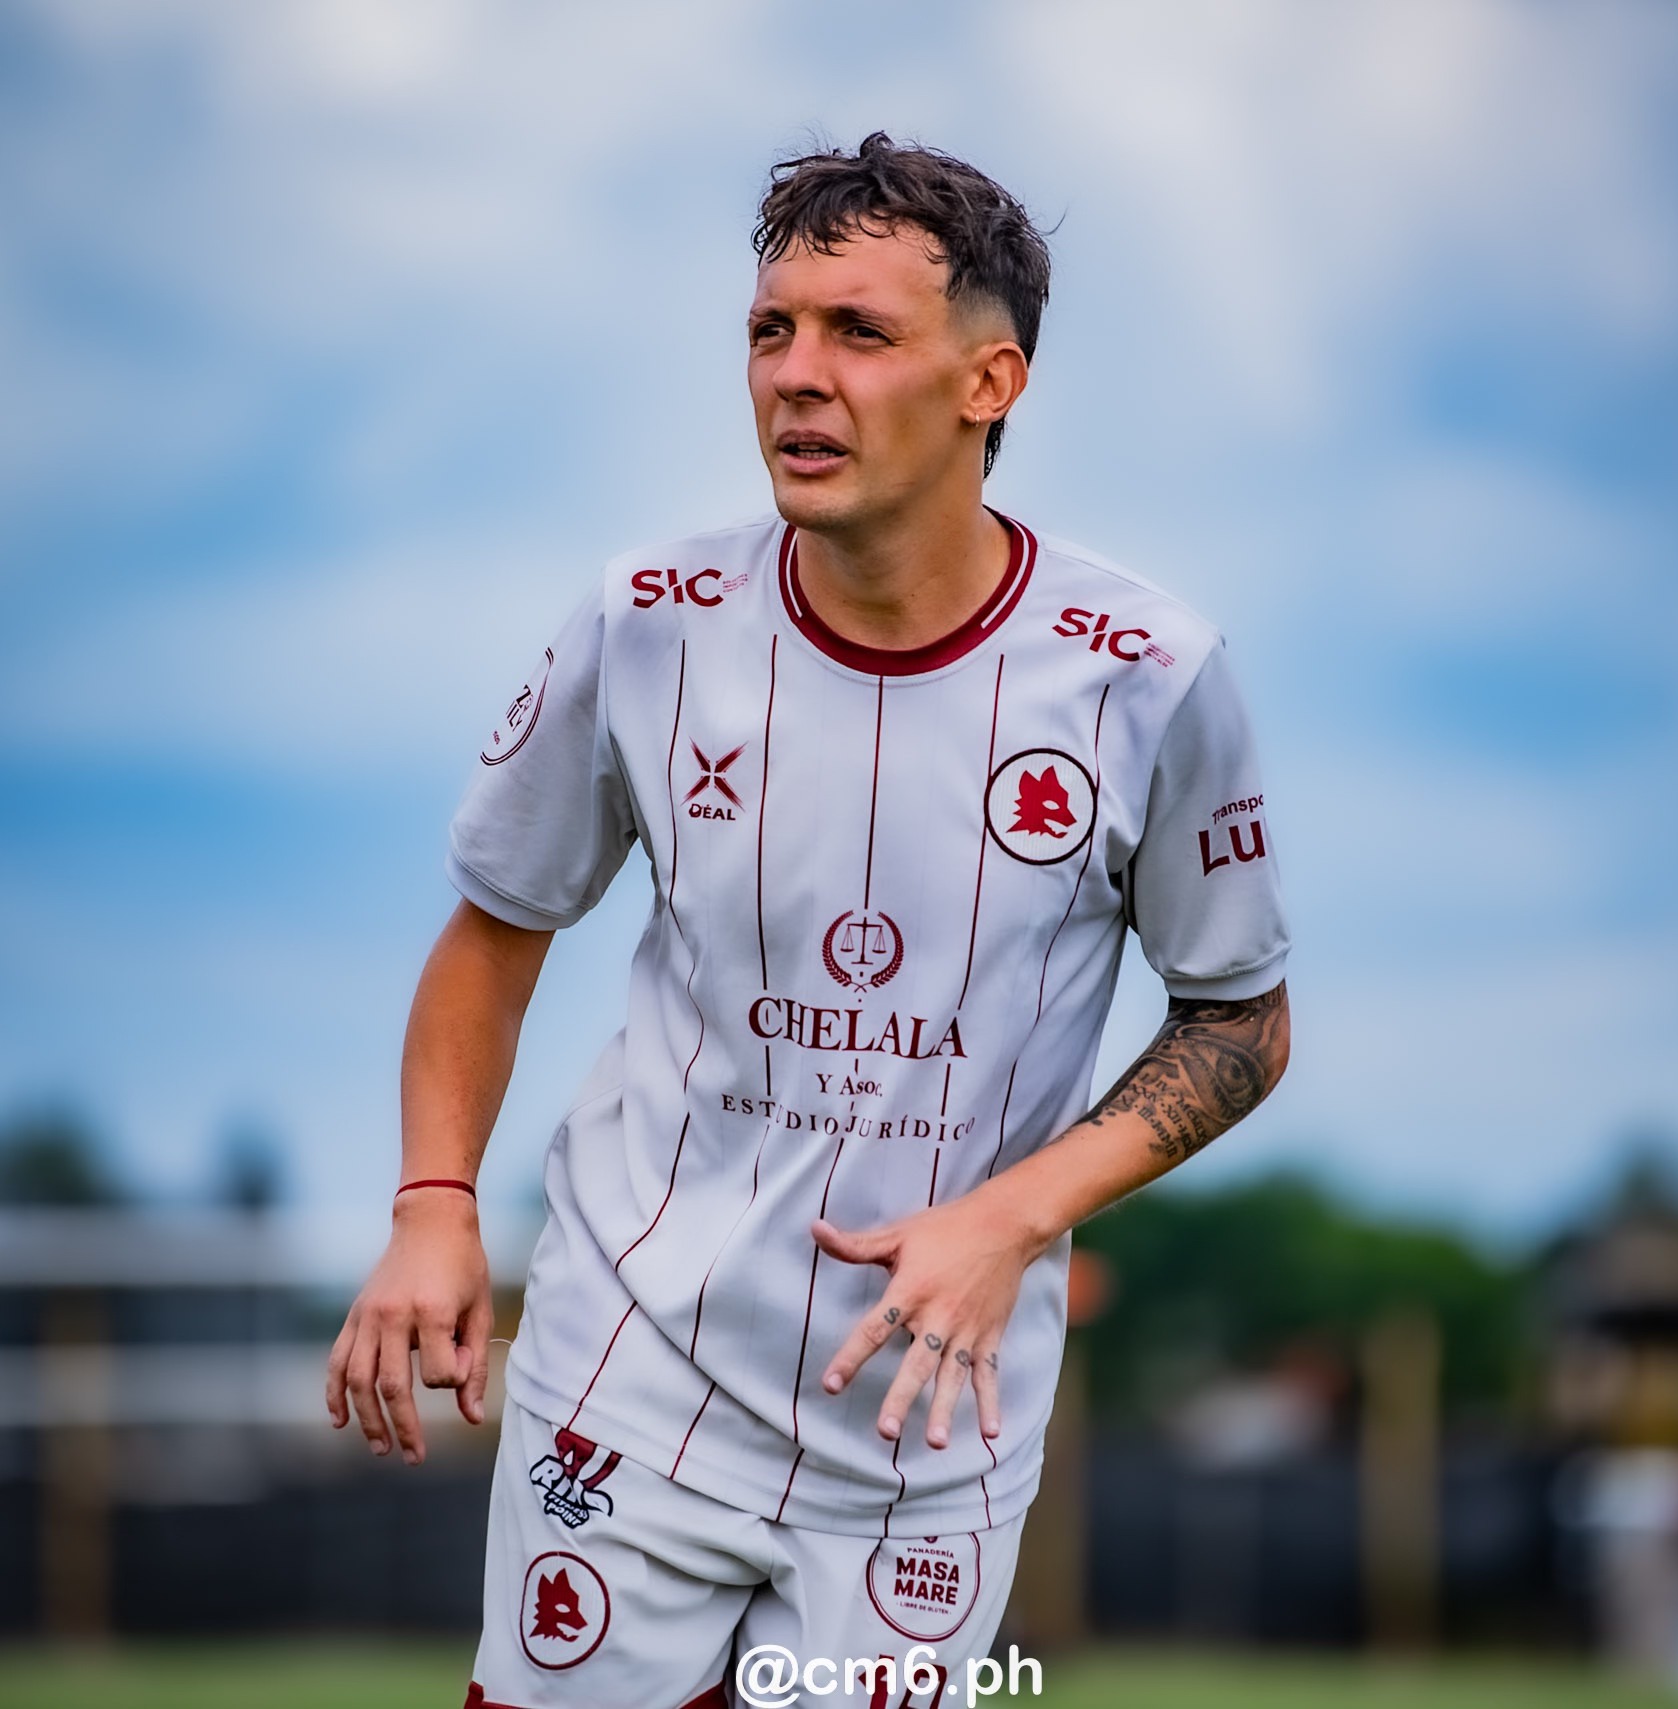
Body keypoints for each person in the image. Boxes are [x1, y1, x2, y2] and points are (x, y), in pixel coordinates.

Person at [326, 132, 1290, 1709]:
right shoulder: (646, 625)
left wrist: (1011, 1214)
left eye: (859, 333)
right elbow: (494, 934)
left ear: (990, 382)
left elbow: (1240, 1017)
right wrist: (434, 1202)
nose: (795, 375)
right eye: (770, 330)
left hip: (924, 1425)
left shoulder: (1148, 673)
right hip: (626, 1372)